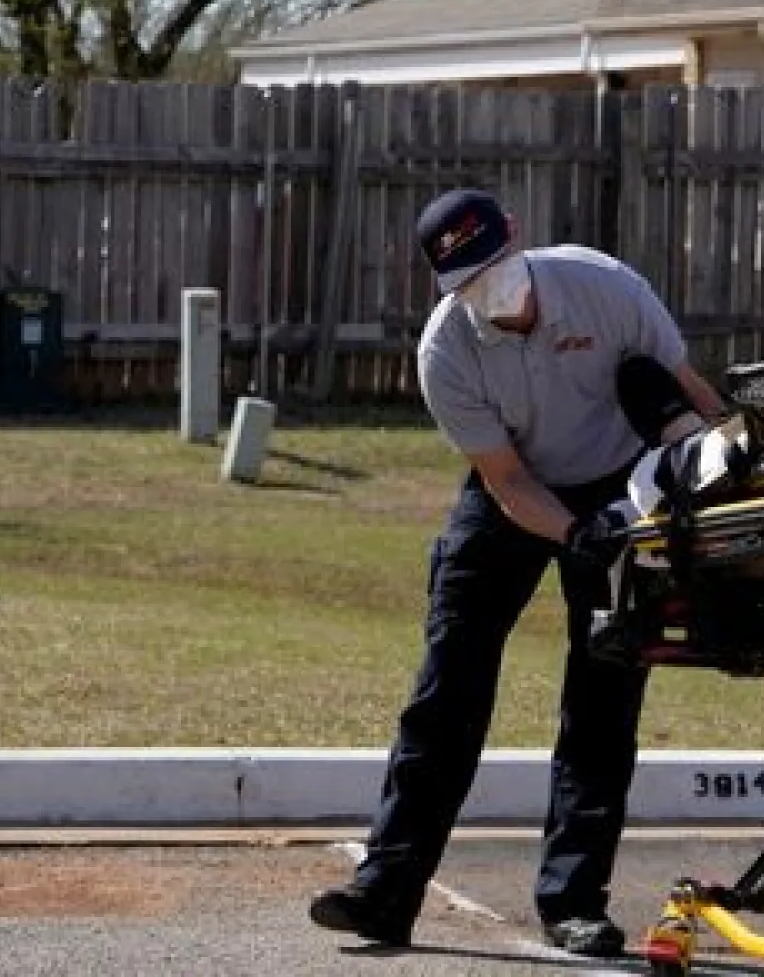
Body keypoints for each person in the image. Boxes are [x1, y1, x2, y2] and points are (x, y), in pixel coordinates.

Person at [308, 187, 726, 958]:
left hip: (620, 481)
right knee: (447, 686)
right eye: (465, 281)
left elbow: (693, 401)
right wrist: (577, 536)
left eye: (494, 266)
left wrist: (716, 481)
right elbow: (504, 482)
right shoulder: (446, 351)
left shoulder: (608, 289)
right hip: (517, 494)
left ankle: (573, 901)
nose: (488, 290)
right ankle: (386, 890)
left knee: (603, 695)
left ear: (519, 240)